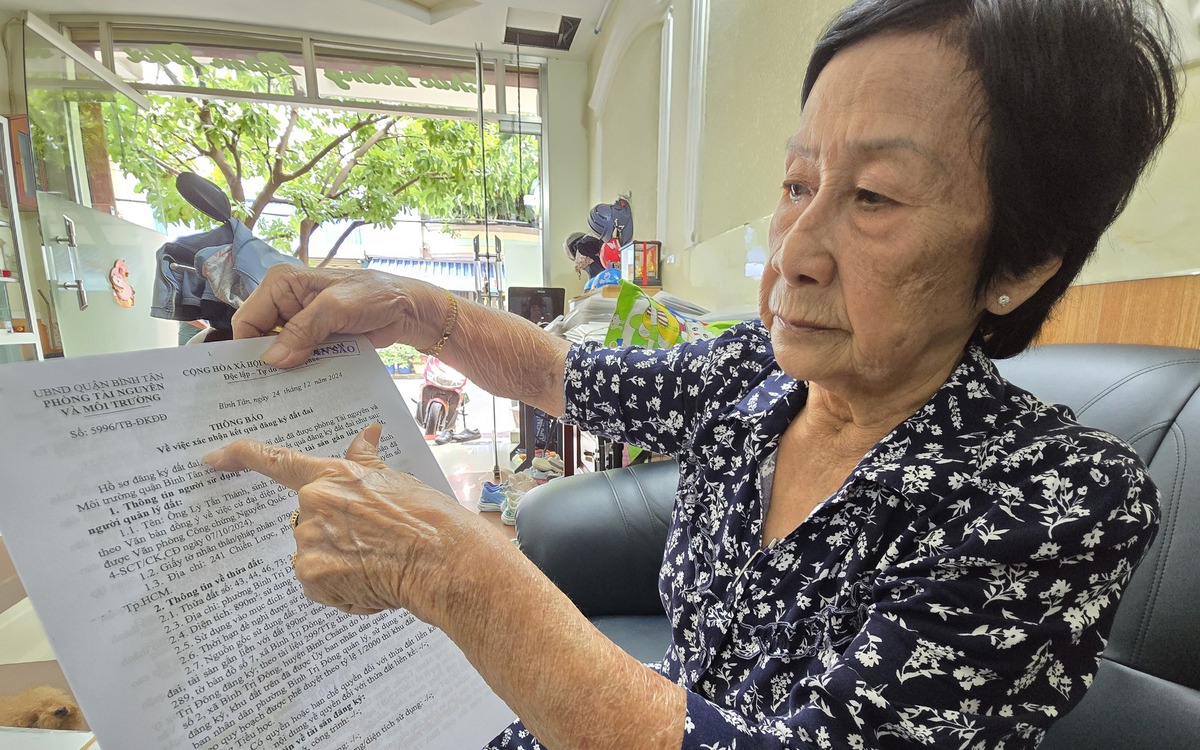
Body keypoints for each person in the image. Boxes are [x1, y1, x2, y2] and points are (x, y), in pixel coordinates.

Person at [203, 0, 1179, 747]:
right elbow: (570, 376)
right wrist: (418, 310)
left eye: (876, 196)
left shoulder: (1060, 500)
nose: (792, 249)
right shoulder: (761, 373)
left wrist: (453, 569)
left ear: (1019, 265)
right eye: (797, 183)